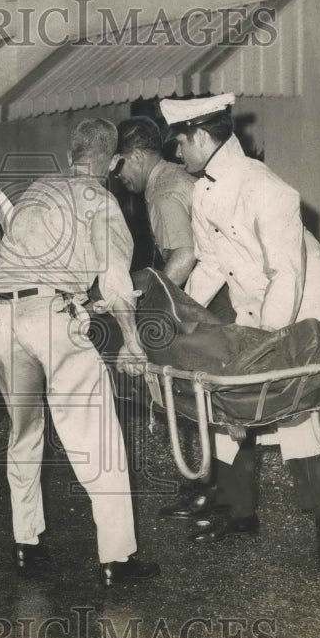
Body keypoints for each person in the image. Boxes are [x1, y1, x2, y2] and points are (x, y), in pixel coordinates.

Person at [162, 92, 320, 558]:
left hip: (300, 310)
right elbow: (211, 264)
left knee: (297, 412)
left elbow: (287, 273)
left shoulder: (267, 189)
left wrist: (268, 342)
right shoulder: (204, 190)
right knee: (233, 406)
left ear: (202, 137)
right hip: (256, 307)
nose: (177, 153)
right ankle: (241, 514)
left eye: (180, 143)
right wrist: (175, 314)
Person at [0, 117, 161, 586]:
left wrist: (78, 300)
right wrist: (132, 339)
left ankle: (27, 544)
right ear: (114, 161)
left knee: (24, 433)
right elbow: (117, 280)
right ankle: (117, 559)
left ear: (70, 156)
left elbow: (29, 265)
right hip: (49, 319)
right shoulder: (101, 199)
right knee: (97, 436)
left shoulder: (37, 190)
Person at [113, 116, 225, 520]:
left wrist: (160, 309)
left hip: (209, 300)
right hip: (218, 293)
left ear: (139, 156)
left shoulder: (162, 191)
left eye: (120, 163)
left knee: (195, 395)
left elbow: (185, 255)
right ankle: (206, 488)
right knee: (202, 396)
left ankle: (206, 491)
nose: (118, 174)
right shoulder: (176, 175)